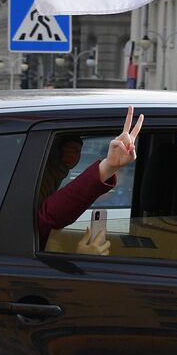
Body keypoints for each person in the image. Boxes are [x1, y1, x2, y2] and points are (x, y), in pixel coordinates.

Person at [37, 108, 144, 253]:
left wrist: (109, 167)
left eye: (78, 151)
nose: (74, 156)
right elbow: (47, 217)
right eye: (70, 149)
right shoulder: (35, 184)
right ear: (54, 152)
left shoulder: (42, 180)